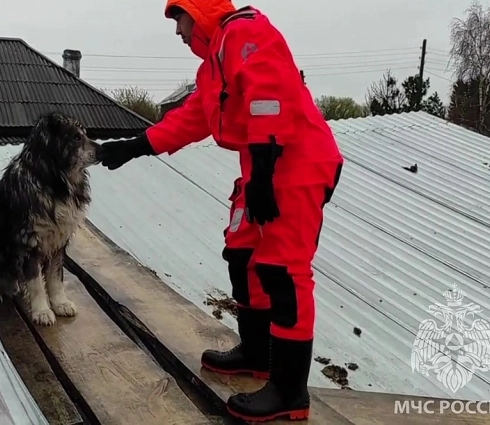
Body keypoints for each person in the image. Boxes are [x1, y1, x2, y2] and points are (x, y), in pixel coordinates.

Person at [96, 0, 344, 422]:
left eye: (180, 19)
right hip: (262, 166)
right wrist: (136, 146)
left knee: (283, 272)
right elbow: (194, 117)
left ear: (202, 9)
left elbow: (269, 95)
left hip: (295, 162)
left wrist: (264, 171)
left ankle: (289, 391)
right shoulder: (213, 64)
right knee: (243, 253)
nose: (177, 31)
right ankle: (257, 353)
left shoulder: (245, 32)